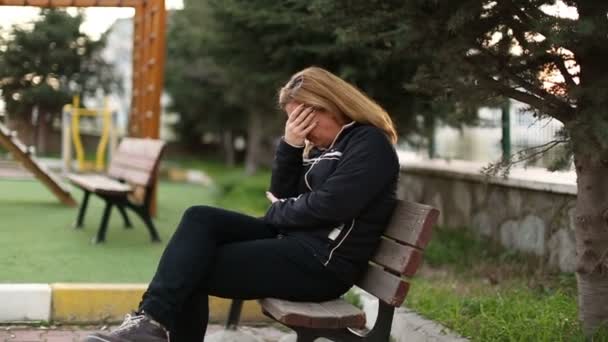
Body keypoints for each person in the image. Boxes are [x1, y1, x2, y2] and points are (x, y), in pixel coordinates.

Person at [83, 66, 400, 342]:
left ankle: (149, 326)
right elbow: (285, 196)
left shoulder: (369, 144)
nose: (303, 132)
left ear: (328, 106)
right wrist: (290, 146)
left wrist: (281, 209)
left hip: (322, 265)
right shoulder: (325, 147)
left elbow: (329, 206)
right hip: (296, 243)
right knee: (199, 218)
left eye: (303, 121)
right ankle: (150, 323)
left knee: (193, 267)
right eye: (293, 124)